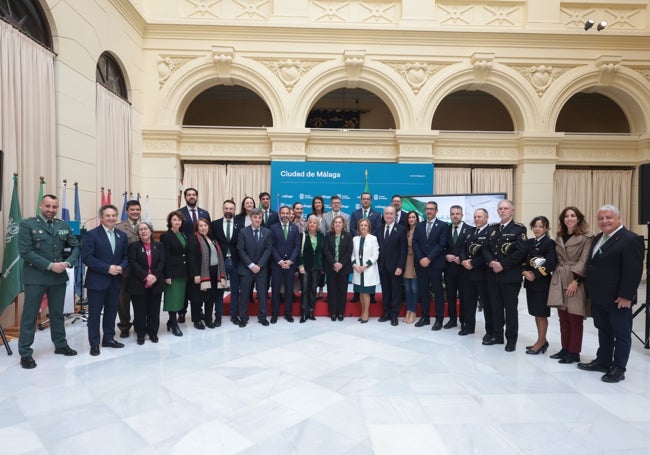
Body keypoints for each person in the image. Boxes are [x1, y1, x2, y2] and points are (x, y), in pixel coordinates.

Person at [578, 205, 644, 383]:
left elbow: (633, 271)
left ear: (619, 218)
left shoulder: (631, 239)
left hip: (618, 298)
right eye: (601, 218)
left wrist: (626, 295)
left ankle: (618, 368)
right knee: (604, 330)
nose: (604, 221)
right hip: (599, 295)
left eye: (609, 217)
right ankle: (603, 361)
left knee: (621, 333)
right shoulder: (600, 237)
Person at [17, 194, 81, 369]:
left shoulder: (63, 225)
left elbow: (75, 246)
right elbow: (25, 252)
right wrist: (50, 265)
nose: (51, 210)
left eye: (54, 207)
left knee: (57, 313)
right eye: (48, 206)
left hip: (58, 277)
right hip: (35, 277)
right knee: (30, 316)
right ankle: (25, 353)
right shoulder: (27, 224)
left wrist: (68, 263)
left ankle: (60, 345)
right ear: (40, 206)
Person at [547, 207, 593, 363]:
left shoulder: (587, 236)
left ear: (579, 218)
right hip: (560, 276)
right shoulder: (560, 235)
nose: (569, 218)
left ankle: (574, 352)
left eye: (573, 216)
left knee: (575, 317)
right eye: (566, 216)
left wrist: (577, 280)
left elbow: (585, 260)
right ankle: (565, 348)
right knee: (563, 317)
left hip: (575, 278)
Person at [82, 204, 129, 356]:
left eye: (114, 215)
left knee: (111, 312)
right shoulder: (92, 234)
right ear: (101, 218)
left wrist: (121, 267)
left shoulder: (121, 235)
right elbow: (87, 258)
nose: (111, 218)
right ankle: (94, 343)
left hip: (115, 281)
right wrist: (108, 268)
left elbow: (126, 257)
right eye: (108, 215)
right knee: (95, 314)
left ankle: (108, 338)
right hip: (97, 281)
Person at [482, 199, 528, 352]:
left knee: (510, 309)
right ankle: (497, 335)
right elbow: (485, 249)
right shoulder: (492, 228)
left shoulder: (519, 229)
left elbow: (521, 252)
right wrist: (491, 263)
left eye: (505, 208)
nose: (502, 211)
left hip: (509, 276)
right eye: (500, 208)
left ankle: (511, 339)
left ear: (512, 210)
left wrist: (502, 264)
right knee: (495, 308)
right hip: (492, 275)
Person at [522, 216, 557, 355]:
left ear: (546, 228)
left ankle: (541, 342)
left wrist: (534, 274)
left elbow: (550, 263)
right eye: (535, 226)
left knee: (541, 314)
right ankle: (542, 340)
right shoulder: (530, 242)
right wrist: (524, 271)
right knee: (536, 313)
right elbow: (523, 259)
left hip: (542, 283)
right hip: (530, 283)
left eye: (540, 226)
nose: (537, 229)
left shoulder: (550, 243)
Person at [127, 222, 165, 345]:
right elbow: (133, 263)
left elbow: (161, 262)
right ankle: (141, 334)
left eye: (145, 229)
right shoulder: (134, 246)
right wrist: (146, 276)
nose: (143, 231)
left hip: (156, 282)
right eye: (140, 229)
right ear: (138, 233)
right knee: (139, 311)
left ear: (151, 231)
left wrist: (154, 276)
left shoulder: (159, 246)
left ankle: (153, 333)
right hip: (138, 283)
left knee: (154, 310)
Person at [412, 201, 448, 329]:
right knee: (423, 291)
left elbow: (441, 244)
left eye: (431, 209)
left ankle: (439, 319)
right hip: (421, 264)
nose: (429, 211)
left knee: (438, 292)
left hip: (435, 264)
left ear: (436, 211)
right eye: (427, 209)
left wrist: (429, 258)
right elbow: (415, 243)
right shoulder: (419, 226)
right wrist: (422, 258)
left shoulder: (443, 225)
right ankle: (425, 317)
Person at [188, 218, 227, 329]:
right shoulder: (194, 238)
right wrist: (196, 274)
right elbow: (192, 258)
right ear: (197, 227)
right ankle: (197, 321)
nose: (203, 228)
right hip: (201, 273)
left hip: (214, 272)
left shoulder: (211, 238)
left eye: (205, 225)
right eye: (200, 226)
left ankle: (208, 319)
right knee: (197, 299)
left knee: (210, 298)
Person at [237, 207, 273, 327]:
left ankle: (262, 317)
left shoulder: (267, 232)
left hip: (261, 269)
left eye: (259, 217)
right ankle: (243, 317)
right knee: (245, 294)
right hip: (246, 269)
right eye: (255, 217)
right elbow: (241, 250)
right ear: (251, 218)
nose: (257, 219)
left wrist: (259, 265)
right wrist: (251, 265)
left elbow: (268, 250)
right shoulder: (243, 232)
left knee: (262, 294)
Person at [459, 208, 491, 337]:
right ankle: (469, 327)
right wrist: (463, 260)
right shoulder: (469, 231)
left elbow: (488, 253)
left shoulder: (491, 232)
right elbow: (462, 248)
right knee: (468, 302)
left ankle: (490, 331)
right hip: (467, 274)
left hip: (483, 274)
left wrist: (472, 263)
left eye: (479, 217)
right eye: (475, 217)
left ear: (486, 218)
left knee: (487, 304)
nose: (477, 219)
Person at [160, 210, 189, 336]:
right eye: (174, 220)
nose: (177, 222)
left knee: (179, 299)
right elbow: (164, 257)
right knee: (172, 299)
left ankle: (171, 322)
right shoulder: (166, 236)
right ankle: (173, 323)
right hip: (172, 272)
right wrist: (167, 275)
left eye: (179, 220)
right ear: (170, 222)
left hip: (183, 272)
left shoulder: (183, 234)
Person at [211, 199, 241, 326]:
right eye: (226, 208)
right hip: (220, 262)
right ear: (223, 209)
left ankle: (234, 315)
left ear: (235, 210)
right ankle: (218, 316)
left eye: (231, 209)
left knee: (235, 290)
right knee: (219, 291)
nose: (228, 211)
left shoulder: (240, 224)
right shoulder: (214, 224)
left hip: (235, 261)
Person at [444, 205, 473, 330]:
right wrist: (446, 256)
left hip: (464, 270)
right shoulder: (446, 229)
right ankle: (452, 320)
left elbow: (471, 249)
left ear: (462, 215)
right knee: (450, 296)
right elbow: (442, 246)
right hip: (449, 269)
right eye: (452, 214)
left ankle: (464, 322)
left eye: (457, 213)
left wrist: (462, 259)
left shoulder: (470, 229)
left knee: (465, 297)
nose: (455, 216)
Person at [115, 199, 141, 338]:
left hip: (142, 270)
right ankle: (124, 326)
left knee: (141, 299)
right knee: (123, 300)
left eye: (137, 209)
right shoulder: (119, 227)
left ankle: (139, 323)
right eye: (132, 210)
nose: (135, 212)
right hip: (125, 269)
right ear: (127, 211)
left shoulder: (146, 225)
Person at [270, 206, 300, 323]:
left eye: (287, 213)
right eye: (283, 213)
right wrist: (280, 261)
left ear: (290, 214)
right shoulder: (273, 228)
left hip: (290, 265)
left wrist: (290, 261)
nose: (285, 215)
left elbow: (297, 246)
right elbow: (271, 246)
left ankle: (288, 313)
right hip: (277, 265)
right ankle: (274, 314)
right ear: (280, 214)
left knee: (289, 290)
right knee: (276, 290)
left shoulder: (295, 228)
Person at [377, 206, 407, 326]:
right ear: (383, 216)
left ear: (395, 216)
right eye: (386, 214)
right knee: (386, 291)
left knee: (396, 292)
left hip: (395, 267)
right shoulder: (378, 229)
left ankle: (394, 315)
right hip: (382, 266)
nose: (388, 215)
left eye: (391, 213)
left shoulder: (401, 229)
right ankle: (386, 313)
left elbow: (403, 250)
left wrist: (400, 266)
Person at [349, 192, 381, 303]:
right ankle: (356, 295)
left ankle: (371, 296)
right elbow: (352, 227)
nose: (366, 200)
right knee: (358, 270)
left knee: (368, 273)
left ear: (371, 201)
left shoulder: (376, 214)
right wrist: (359, 236)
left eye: (368, 199)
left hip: (369, 244)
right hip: (357, 243)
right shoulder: (355, 213)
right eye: (364, 199)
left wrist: (368, 237)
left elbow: (377, 229)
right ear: (361, 200)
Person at [323, 215, 354, 321]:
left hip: (344, 268)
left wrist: (341, 264)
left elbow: (349, 251)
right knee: (332, 290)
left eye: (340, 222)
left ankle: (341, 312)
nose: (337, 224)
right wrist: (334, 263)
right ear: (333, 224)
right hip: (331, 267)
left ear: (343, 224)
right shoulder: (328, 235)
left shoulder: (348, 235)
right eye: (335, 222)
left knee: (342, 291)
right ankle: (332, 312)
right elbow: (326, 251)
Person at [352, 218, 380, 323]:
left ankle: (366, 313)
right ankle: (362, 311)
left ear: (369, 227)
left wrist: (366, 266)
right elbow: (352, 255)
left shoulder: (373, 239)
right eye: (361, 225)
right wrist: (355, 265)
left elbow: (375, 254)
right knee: (360, 292)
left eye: (365, 225)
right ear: (358, 227)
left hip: (368, 270)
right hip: (358, 269)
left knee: (366, 293)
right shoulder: (355, 239)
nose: (363, 227)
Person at [297, 215, 325, 322]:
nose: (312, 224)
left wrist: (322, 266)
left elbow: (322, 253)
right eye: (310, 222)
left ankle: (311, 312)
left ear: (318, 225)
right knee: (305, 290)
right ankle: (303, 314)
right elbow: (299, 252)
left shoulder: (321, 236)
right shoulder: (302, 235)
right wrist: (300, 266)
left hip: (316, 267)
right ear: (307, 224)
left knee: (313, 290)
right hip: (305, 266)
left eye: (315, 223)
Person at [403, 211, 420, 324]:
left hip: (415, 262)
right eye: (409, 217)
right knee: (407, 289)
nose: (411, 219)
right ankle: (408, 310)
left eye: (413, 217)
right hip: (405, 262)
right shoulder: (405, 231)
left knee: (414, 289)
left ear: (417, 219)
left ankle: (413, 311)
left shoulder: (419, 231)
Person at [309, 196, 327, 298]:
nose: (317, 204)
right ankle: (313, 289)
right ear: (313, 205)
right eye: (316, 203)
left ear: (322, 204)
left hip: (324, 244)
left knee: (322, 267)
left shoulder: (327, 215)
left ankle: (321, 288)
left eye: (319, 202)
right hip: (313, 243)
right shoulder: (310, 215)